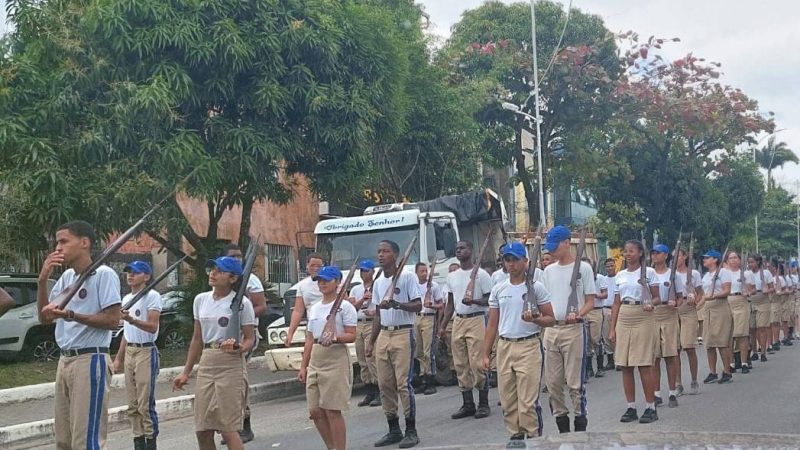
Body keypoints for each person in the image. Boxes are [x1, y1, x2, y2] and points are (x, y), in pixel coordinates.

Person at [37, 221, 122, 450]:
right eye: (57, 242)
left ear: (84, 243)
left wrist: (71, 314)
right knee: (64, 440)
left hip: (90, 359)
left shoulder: (104, 274)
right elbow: (45, 318)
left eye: (64, 241)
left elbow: (113, 320)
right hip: (65, 360)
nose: (58, 248)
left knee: (86, 440)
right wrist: (42, 280)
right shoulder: (66, 279)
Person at [173, 257, 256, 450]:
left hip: (231, 363)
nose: (213, 273)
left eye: (220, 271)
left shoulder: (242, 303)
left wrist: (239, 347)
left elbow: (249, 338)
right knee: (202, 429)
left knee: (227, 429)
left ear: (233, 278)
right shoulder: (201, 300)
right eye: (212, 269)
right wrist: (186, 372)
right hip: (207, 362)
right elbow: (197, 338)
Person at [483, 242, 555, 444]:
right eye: (508, 260)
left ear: (526, 261)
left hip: (529, 346)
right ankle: (515, 438)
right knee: (508, 401)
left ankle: (534, 439)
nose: (512, 264)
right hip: (505, 346)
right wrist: (485, 353)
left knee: (527, 403)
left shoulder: (536, 288)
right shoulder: (499, 289)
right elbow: (492, 325)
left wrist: (535, 319)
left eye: (516, 259)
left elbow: (550, 318)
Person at [366, 240, 423, 448]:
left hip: (403, 332)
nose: (381, 255)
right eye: (379, 251)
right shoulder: (379, 281)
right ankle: (393, 428)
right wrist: (371, 341)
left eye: (386, 251)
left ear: (395, 255)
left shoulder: (407, 277)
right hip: (384, 334)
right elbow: (378, 315)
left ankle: (411, 429)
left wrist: (397, 304)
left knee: (403, 384)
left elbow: (418, 305)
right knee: (384, 384)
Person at [540, 226, 596, 433]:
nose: (552, 251)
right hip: (552, 329)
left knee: (575, 384)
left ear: (566, 243)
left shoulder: (583, 268)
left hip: (574, 330)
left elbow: (591, 300)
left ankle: (580, 425)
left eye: (555, 246)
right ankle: (562, 427)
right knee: (553, 384)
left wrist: (579, 313)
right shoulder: (548, 271)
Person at [299, 265, 357, 450]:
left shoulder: (345, 307)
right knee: (315, 411)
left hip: (335, 357)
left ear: (338, 282)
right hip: (317, 357)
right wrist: (303, 366)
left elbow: (351, 335)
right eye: (320, 280)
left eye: (327, 280)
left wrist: (335, 338)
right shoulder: (314, 308)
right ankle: (331, 446)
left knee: (332, 410)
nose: (322, 284)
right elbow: (309, 339)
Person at [440, 240, 494, 420]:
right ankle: (468, 403)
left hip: (476, 319)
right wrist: (442, 325)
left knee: (477, 363)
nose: (459, 251)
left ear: (470, 250)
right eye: (457, 248)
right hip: (458, 321)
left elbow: (489, 300)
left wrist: (475, 301)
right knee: (460, 364)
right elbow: (450, 304)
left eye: (463, 248)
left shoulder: (482, 275)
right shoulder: (452, 276)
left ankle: (484, 403)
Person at [112, 261, 163, 450]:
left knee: (144, 403)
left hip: (146, 351)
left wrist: (131, 319)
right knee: (132, 404)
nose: (130, 275)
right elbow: (126, 333)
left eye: (135, 272)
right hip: (130, 351)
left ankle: (150, 440)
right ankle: (138, 439)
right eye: (128, 272)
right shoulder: (126, 299)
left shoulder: (152, 296)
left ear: (147, 276)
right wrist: (118, 357)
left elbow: (152, 326)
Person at [609, 240, 661, 424]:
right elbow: (616, 302)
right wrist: (612, 328)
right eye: (626, 251)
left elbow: (657, 297)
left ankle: (650, 406)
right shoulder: (620, 275)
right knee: (625, 365)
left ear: (640, 253)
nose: (628, 254)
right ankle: (631, 407)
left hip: (643, 315)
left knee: (644, 364)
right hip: (625, 314)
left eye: (632, 251)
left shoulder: (649, 273)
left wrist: (650, 304)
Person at [223, 243, 267, 443]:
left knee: (239, 381)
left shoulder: (251, 279)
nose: (238, 259)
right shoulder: (222, 280)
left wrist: (241, 316)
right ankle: (231, 427)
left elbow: (260, 306)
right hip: (225, 338)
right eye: (233, 256)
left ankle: (245, 425)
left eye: (240, 256)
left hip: (245, 336)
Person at [649, 244, 680, 408]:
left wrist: (676, 302)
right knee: (654, 357)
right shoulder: (648, 273)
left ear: (666, 255)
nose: (654, 256)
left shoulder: (672, 274)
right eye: (653, 253)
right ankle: (656, 393)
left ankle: (672, 392)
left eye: (658, 253)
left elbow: (680, 297)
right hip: (653, 314)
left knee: (669, 355)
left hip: (669, 314)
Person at [348, 260, 381, 407]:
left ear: (372, 271)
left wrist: (374, 310)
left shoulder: (378, 286)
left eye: (366, 271)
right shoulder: (356, 289)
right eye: (361, 271)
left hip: (371, 322)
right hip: (359, 323)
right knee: (361, 359)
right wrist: (363, 299)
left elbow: (382, 306)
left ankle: (379, 390)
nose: (363, 274)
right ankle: (369, 390)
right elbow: (352, 307)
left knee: (371, 358)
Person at [699, 250, 733, 384]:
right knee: (709, 342)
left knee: (721, 341)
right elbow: (704, 295)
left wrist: (714, 296)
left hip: (720, 307)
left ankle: (726, 371)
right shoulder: (706, 275)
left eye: (707, 258)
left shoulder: (723, 272)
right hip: (708, 307)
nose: (704, 260)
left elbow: (726, 290)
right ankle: (712, 372)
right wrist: (697, 306)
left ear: (715, 259)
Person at [674, 248, 703, 395]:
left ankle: (693, 379)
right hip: (673, 309)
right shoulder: (670, 273)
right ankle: (678, 383)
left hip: (688, 308)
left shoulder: (694, 274)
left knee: (689, 347)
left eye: (678, 256)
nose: (676, 259)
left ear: (684, 257)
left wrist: (695, 300)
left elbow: (701, 292)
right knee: (675, 350)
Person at [414, 262, 445, 395]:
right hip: (416, 317)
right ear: (416, 272)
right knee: (419, 351)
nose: (424, 274)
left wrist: (432, 306)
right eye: (421, 271)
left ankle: (430, 379)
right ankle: (422, 378)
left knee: (428, 351)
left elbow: (441, 305)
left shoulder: (434, 286)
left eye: (426, 271)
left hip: (428, 317)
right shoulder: (414, 286)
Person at [285, 253, 326, 346]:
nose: (316, 268)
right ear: (307, 266)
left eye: (319, 266)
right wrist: (291, 333)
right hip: (312, 324)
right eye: (312, 265)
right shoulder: (302, 285)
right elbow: (298, 311)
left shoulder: (332, 281)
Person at [725, 252, 751, 374]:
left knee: (742, 334)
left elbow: (753, 289)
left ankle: (744, 362)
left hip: (741, 301)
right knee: (729, 335)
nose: (733, 260)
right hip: (728, 301)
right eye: (730, 258)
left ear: (740, 260)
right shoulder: (724, 274)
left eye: (735, 257)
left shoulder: (746, 274)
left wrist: (748, 291)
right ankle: (730, 363)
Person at [746, 255, 774, 362]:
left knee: (761, 327)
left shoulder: (766, 273)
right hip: (751, 300)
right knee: (752, 328)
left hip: (763, 300)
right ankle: (754, 351)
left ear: (758, 262)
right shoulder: (747, 274)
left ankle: (763, 352)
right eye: (749, 262)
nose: (750, 264)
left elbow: (773, 287)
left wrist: (768, 290)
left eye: (752, 262)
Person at [583, 257, 605, 379]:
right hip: (585, 311)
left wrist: (596, 295)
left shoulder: (599, 278)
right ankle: (589, 368)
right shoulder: (580, 279)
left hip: (596, 310)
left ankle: (600, 367)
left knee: (596, 339)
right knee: (586, 341)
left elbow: (605, 293)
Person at [601, 259, 617, 371]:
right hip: (606, 309)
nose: (610, 268)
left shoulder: (620, 278)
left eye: (612, 266)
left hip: (617, 309)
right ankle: (611, 360)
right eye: (608, 266)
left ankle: (620, 360)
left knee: (619, 335)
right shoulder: (603, 279)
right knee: (607, 335)